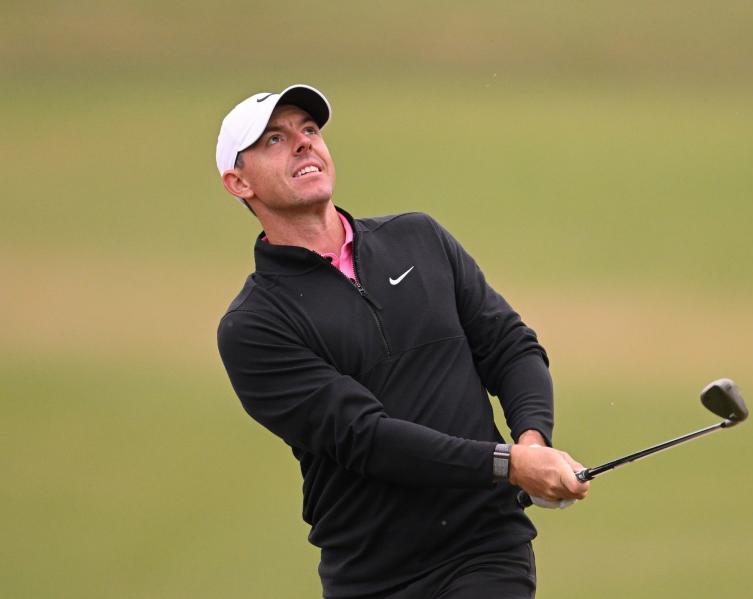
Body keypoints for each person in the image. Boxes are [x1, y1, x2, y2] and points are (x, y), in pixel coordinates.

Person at [215, 84, 590, 599]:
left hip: (485, 548)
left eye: (309, 129)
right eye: (274, 140)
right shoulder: (255, 326)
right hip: (372, 576)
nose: (303, 143)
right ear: (238, 183)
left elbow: (509, 346)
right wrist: (510, 465)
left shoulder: (419, 238)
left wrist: (532, 441)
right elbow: (365, 437)